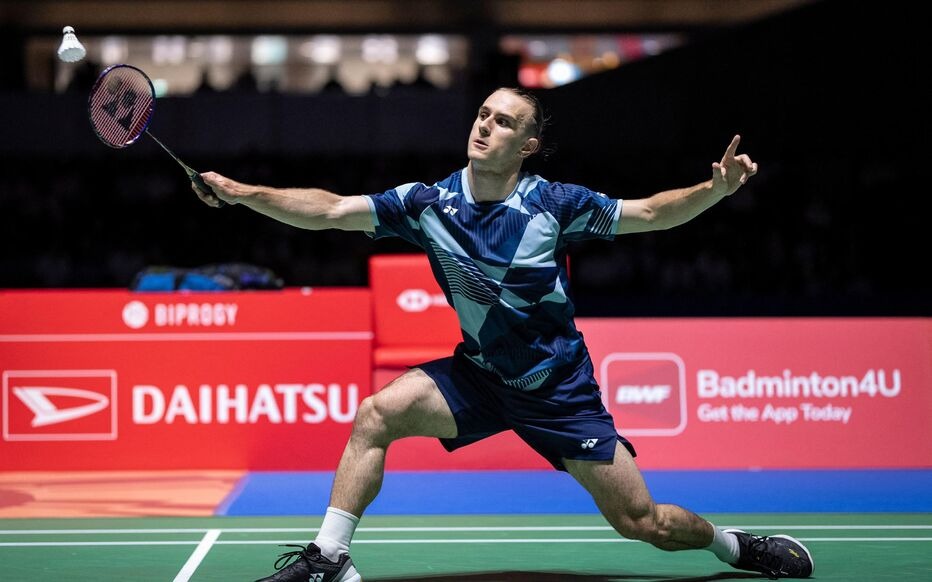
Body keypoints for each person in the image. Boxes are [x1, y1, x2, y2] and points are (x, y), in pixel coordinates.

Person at [193, 87, 813, 581]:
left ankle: (736, 546)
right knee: (376, 414)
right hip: (480, 376)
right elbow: (331, 209)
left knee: (642, 521)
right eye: (483, 115)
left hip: (558, 391)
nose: (485, 126)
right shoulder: (429, 203)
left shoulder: (555, 205)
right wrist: (243, 194)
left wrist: (715, 189)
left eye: (504, 122)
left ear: (528, 145)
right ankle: (329, 555)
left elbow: (650, 213)